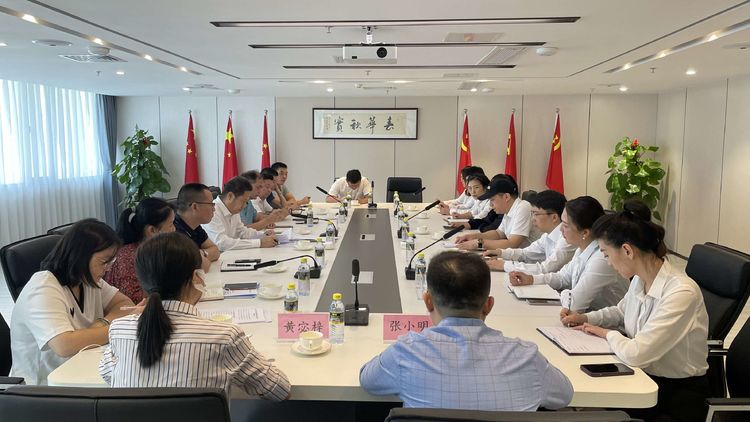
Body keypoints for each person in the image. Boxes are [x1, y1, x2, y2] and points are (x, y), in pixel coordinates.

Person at [359, 251, 573, 410]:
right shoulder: (527, 358)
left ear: (428, 301)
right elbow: (564, 396)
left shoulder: (407, 352)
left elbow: (368, 380)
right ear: (489, 305)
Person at [561, 200, 710, 422]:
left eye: (606, 254)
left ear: (627, 250)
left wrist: (607, 333)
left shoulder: (681, 293)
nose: (607, 262)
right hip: (642, 378)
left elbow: (637, 353)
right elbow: (621, 311)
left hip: (674, 396)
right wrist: (585, 318)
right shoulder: (640, 279)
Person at [99, 232, 291, 400]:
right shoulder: (223, 337)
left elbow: (108, 374)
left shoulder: (119, 329)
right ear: (195, 277)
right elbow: (279, 390)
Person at [10, 219, 139, 385]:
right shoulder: (43, 287)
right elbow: (64, 345)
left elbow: (124, 304)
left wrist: (102, 323)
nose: (108, 269)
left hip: (79, 369)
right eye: (104, 262)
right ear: (81, 257)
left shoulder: (87, 279)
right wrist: (119, 328)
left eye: (111, 262)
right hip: (42, 386)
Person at [509, 196, 628, 312]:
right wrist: (531, 279)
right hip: (586, 317)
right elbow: (563, 278)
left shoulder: (602, 258)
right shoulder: (581, 249)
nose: (560, 229)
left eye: (565, 225)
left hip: (606, 323)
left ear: (585, 233)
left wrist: (566, 292)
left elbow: (574, 304)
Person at [484, 190, 576, 274]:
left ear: (554, 217)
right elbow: (526, 253)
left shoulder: (566, 239)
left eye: (536, 214)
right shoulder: (546, 236)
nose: (532, 219)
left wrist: (504, 265)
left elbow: (545, 269)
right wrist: (501, 253)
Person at [105, 197, 176, 303]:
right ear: (152, 230)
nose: (174, 229)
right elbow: (133, 300)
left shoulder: (154, 250)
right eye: (170, 225)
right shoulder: (128, 257)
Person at [456, 174, 539, 251]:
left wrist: (479, 243)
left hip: (530, 260)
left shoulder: (523, 207)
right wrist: (473, 237)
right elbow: (498, 233)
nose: (490, 205)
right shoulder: (508, 209)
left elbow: (512, 244)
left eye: (492, 200)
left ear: (506, 197)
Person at [203, 176, 277, 251]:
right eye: (243, 201)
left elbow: (242, 232)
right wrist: (259, 243)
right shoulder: (212, 211)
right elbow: (221, 243)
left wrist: (263, 235)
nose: (245, 206)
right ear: (230, 196)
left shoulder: (233, 210)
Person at [173, 183, 220, 268]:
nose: (214, 209)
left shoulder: (195, 226)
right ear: (195, 206)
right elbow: (190, 264)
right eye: (211, 204)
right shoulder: (173, 231)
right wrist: (200, 258)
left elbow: (215, 251)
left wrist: (202, 254)